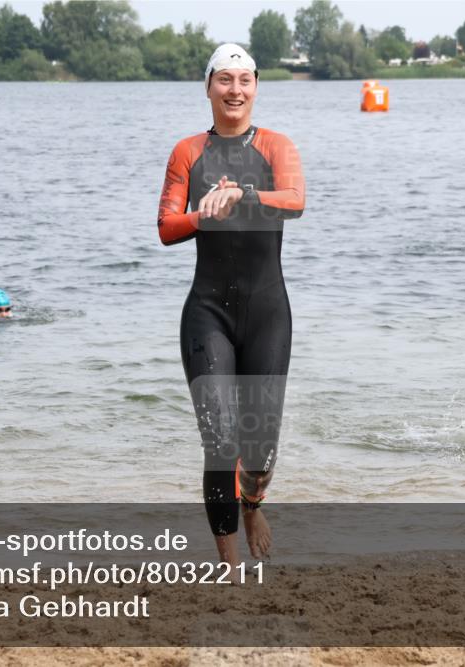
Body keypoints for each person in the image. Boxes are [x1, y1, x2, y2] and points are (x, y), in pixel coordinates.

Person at [157, 43, 305, 565]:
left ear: (256, 87)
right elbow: (166, 228)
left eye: (244, 80)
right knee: (220, 440)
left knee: (259, 446)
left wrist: (243, 195)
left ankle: (253, 504)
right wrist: (203, 212)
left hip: (268, 312)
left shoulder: (277, 146)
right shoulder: (187, 152)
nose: (235, 90)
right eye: (224, 80)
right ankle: (229, 566)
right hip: (208, 313)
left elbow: (296, 201)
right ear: (208, 87)